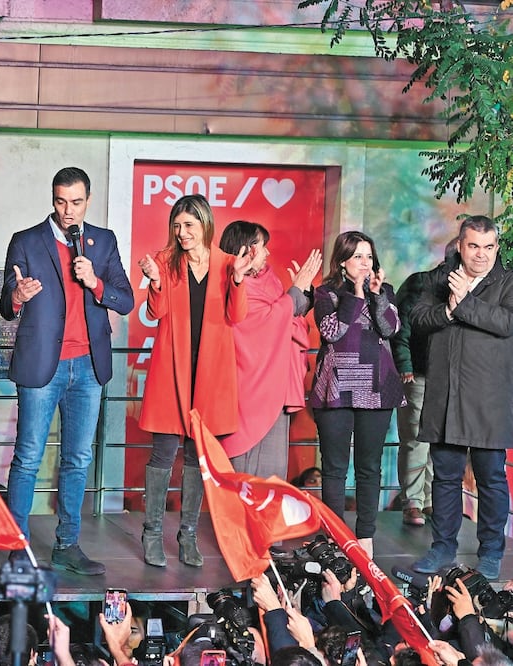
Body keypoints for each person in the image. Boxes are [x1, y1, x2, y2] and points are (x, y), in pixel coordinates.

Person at [0, 166, 134, 576]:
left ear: (88, 200)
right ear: (52, 199)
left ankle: (68, 544)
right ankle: (17, 547)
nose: (68, 210)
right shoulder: (26, 241)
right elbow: (7, 304)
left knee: (77, 459)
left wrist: (95, 282)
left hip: (88, 367)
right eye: (60, 201)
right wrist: (17, 296)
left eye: (76, 202)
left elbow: (125, 300)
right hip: (43, 365)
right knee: (27, 458)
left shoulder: (103, 241)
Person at [137, 194, 252, 568]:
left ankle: (187, 535)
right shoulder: (165, 262)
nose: (181, 232)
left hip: (210, 375)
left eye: (188, 225)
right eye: (176, 225)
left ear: (205, 224)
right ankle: (152, 533)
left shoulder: (228, 264)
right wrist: (154, 282)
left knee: (195, 458)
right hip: (172, 372)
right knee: (162, 453)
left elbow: (237, 315)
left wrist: (237, 280)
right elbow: (157, 313)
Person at [409, 215, 513, 581]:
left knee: (491, 480)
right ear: (460, 245)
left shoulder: (509, 282)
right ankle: (442, 547)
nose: (481, 255)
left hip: (488, 402)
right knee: (445, 478)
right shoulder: (439, 279)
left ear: (496, 248)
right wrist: (450, 309)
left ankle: (490, 553)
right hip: (446, 398)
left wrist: (465, 301)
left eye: (488, 247)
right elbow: (419, 318)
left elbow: (506, 323)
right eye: (473, 246)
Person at [309, 230, 405, 559]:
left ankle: (365, 535)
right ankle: (335, 535)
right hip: (336, 387)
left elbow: (390, 329)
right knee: (335, 467)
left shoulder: (386, 290)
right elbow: (332, 332)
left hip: (377, 388)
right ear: (343, 262)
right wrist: (356, 294)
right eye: (358, 257)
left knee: (369, 466)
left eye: (369, 257)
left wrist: (375, 296)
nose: (365, 263)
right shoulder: (325, 292)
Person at [217, 220, 321, 478]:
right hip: (247, 385)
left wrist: (303, 291)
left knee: (272, 471)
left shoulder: (268, 279)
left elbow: (287, 314)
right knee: (244, 472)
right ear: (248, 250)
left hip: (275, 382)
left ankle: (266, 518)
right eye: (263, 247)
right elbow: (264, 321)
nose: (268, 253)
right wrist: (295, 292)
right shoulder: (232, 283)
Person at [391, 238, 457, 527]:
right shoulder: (421, 283)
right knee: (416, 439)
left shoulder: (473, 288)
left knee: (439, 439)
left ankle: (430, 501)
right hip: (417, 372)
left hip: (450, 376)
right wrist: (404, 363)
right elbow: (400, 325)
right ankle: (413, 502)